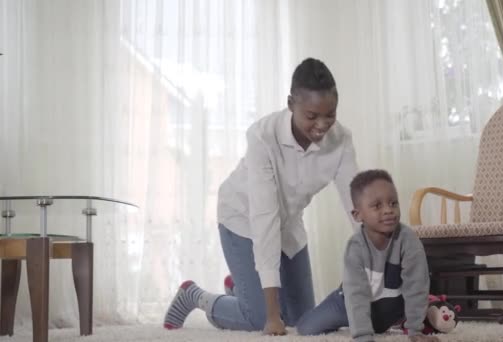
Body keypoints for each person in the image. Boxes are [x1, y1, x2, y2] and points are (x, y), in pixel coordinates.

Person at [163, 57, 359, 335]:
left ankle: (242, 288)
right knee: (260, 319)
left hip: (288, 224)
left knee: (301, 321)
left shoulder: (341, 141)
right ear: (291, 105)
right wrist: (270, 315)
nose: (322, 125)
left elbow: (357, 205)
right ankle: (194, 295)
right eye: (312, 116)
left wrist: (381, 262)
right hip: (242, 219)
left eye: (330, 114)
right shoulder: (262, 138)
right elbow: (264, 218)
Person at [296, 170, 438, 342]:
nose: (388, 210)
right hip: (349, 303)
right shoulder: (355, 247)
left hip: (391, 306)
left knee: (414, 302)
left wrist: (415, 331)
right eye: (377, 206)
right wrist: (363, 336)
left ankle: (426, 308)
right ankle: (355, 322)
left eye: (393, 203)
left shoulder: (409, 241)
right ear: (358, 215)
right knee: (306, 328)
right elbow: (356, 295)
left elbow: (416, 285)